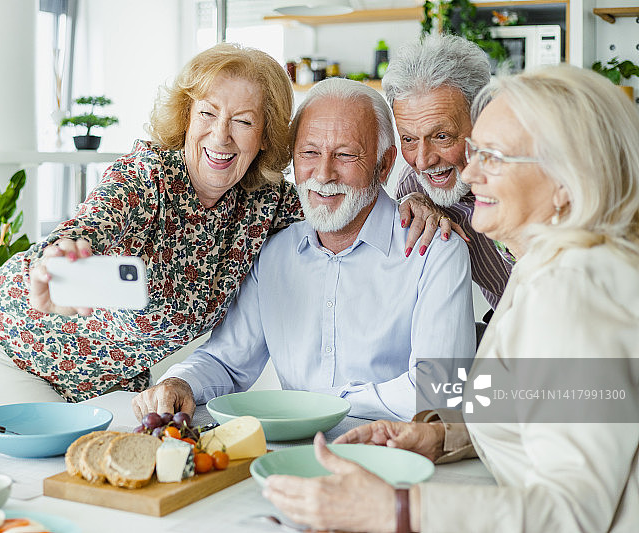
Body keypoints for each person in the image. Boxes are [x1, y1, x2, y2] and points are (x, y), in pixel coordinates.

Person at [262, 65, 639, 532]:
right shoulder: (545, 267)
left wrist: (396, 510)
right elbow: (543, 403)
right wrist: (440, 436)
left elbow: (575, 512)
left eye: (494, 157)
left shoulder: (575, 291)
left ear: (567, 180)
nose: (470, 170)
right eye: (475, 150)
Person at [0, 43, 304, 407]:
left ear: (266, 135)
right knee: (54, 448)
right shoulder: (147, 177)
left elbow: (333, 211)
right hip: (19, 344)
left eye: (243, 121)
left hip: (113, 373)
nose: (221, 135)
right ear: (187, 117)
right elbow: (94, 220)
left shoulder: (267, 201)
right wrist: (61, 258)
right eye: (207, 113)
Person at [131, 78, 475, 422]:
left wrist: (321, 404)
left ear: (384, 165)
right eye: (309, 153)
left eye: (345, 154)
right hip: (290, 449)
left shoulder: (437, 252)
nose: (323, 174)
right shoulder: (273, 252)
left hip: (394, 450)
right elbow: (227, 360)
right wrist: (181, 382)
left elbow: (440, 391)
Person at [384, 34, 513, 312]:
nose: (423, 161)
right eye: (409, 139)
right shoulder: (414, 187)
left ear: (483, 115)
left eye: (442, 136)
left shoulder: (527, 169)